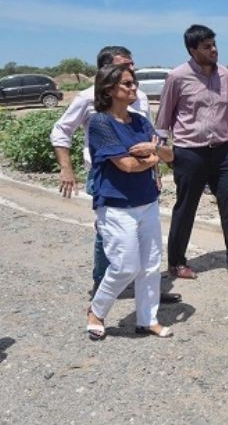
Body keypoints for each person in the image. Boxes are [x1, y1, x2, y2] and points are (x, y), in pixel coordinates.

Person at [50, 46, 181, 304]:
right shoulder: (87, 99)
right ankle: (103, 285)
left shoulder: (138, 95)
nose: (131, 71)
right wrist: (66, 168)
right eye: (124, 66)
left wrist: (155, 162)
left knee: (143, 236)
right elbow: (61, 131)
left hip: (143, 173)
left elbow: (150, 133)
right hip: (107, 174)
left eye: (132, 65)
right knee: (107, 232)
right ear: (106, 71)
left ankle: (145, 288)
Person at [156, 24, 228, 281]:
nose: (213, 50)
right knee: (186, 208)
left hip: (222, 151)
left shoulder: (225, 75)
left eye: (214, 44)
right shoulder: (177, 77)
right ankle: (176, 262)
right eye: (206, 46)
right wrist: (160, 152)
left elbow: (227, 111)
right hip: (190, 152)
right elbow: (164, 117)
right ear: (192, 50)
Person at [85, 64, 174, 340]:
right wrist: (152, 157)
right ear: (109, 89)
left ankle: (147, 319)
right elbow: (125, 164)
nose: (134, 88)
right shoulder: (100, 122)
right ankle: (96, 311)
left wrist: (153, 151)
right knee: (125, 265)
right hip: (115, 205)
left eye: (134, 83)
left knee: (150, 265)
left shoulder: (140, 120)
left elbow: (170, 155)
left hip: (147, 201)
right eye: (127, 84)